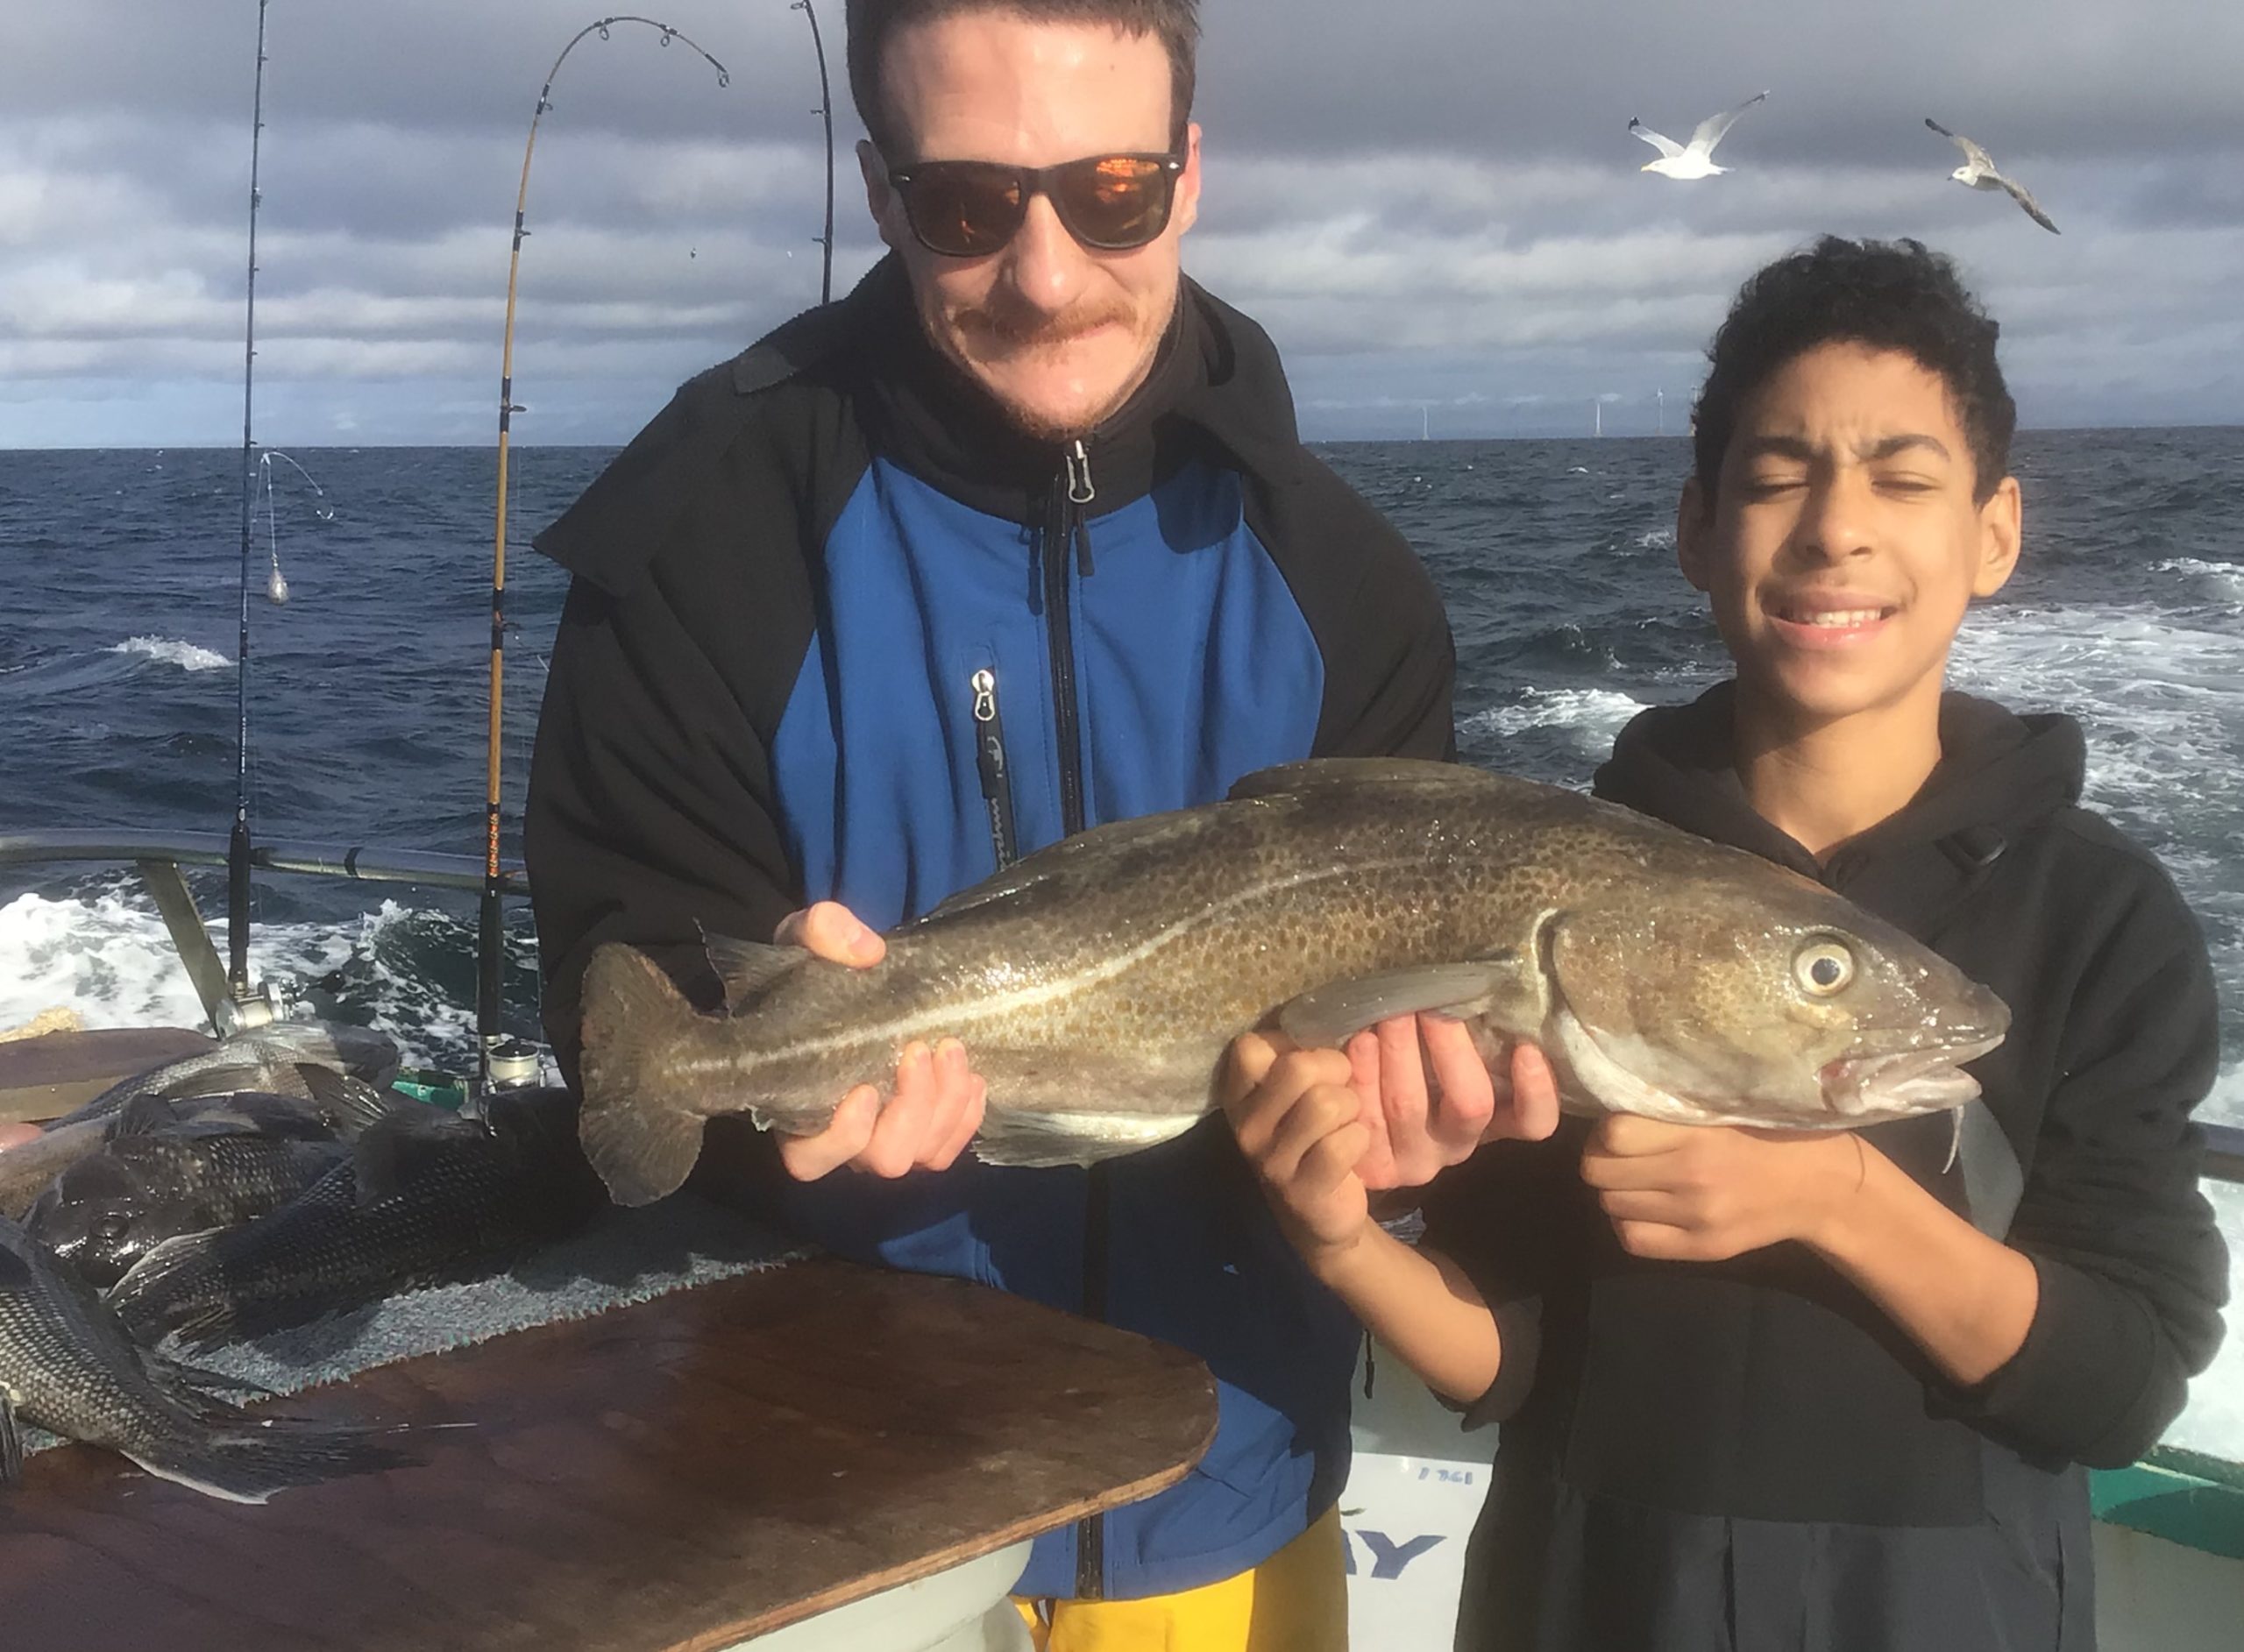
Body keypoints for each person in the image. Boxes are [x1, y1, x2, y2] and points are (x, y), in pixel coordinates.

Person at [523, 1, 1554, 1644]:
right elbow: (618, 977)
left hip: (1221, 1492)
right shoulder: (699, 540)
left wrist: (1401, 1136)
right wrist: (747, 1060)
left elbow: (1405, 1059)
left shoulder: (1347, 581)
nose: (1051, 271)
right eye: (969, 206)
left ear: (1192, 175)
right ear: (881, 190)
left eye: (1115, 191)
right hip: (823, 1519)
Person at [1225, 236, 2229, 1650]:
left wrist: (1837, 1199)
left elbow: (2121, 1383)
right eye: (1776, 476)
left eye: (1902, 474)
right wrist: (1334, 1236)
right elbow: (1504, 1349)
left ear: (1995, 531)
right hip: (1588, 1600)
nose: (1834, 528)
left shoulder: (2102, 920)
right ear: (1697, 529)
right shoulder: (1559, 900)